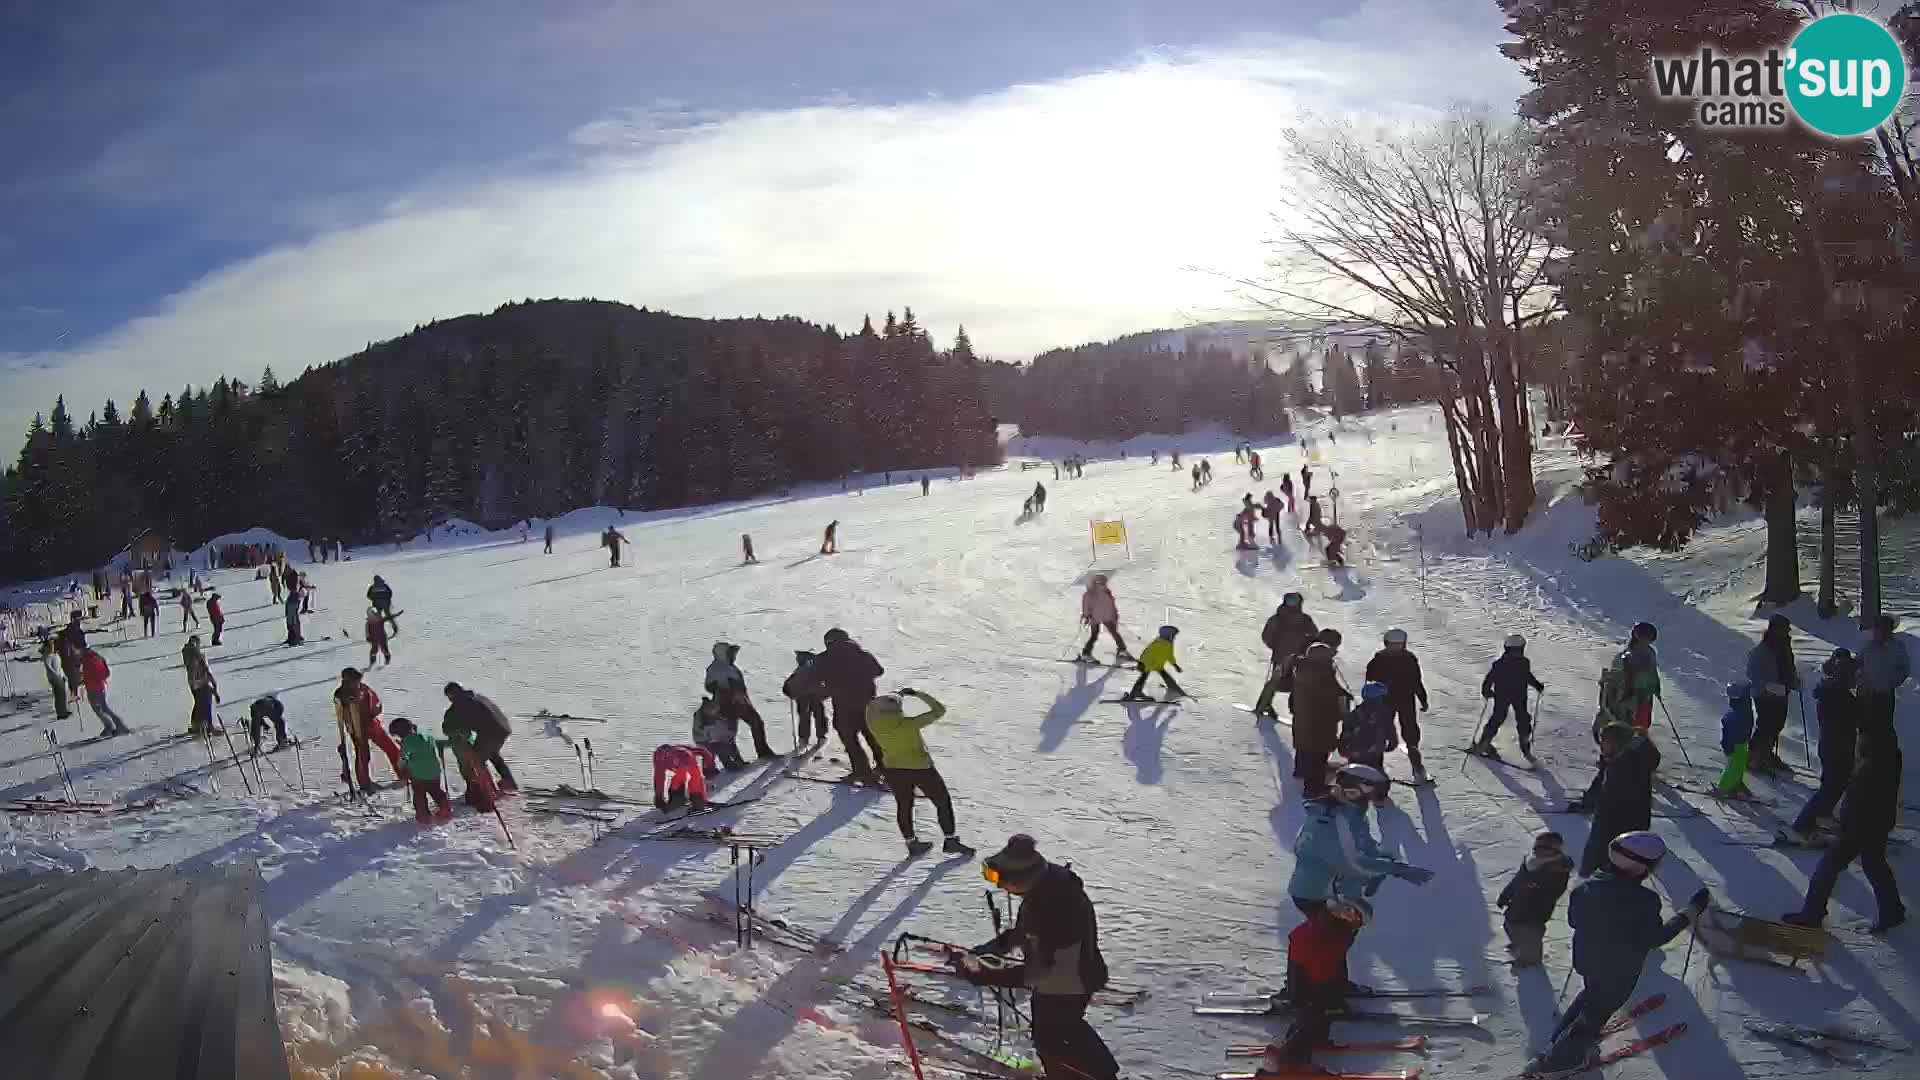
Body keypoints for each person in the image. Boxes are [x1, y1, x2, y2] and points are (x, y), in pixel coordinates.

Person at [1528, 832, 1709, 1075]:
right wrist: (1689, 912)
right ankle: (1558, 1063)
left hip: (1587, 961)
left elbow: (1573, 920)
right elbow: (1655, 938)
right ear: (1640, 868)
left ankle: (1556, 1042)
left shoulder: (1585, 888)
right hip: (1619, 973)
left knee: (1590, 996)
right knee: (1594, 1016)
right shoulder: (1644, 899)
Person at [961, 834, 1119, 1080]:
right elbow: (1025, 931)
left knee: (1051, 1040)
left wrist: (984, 975)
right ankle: (1104, 1072)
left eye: (1001, 880)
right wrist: (993, 948)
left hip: (1067, 983)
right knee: (1067, 1026)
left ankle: (1082, 1075)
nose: (999, 886)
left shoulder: (1051, 908)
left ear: (1021, 879)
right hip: (1074, 974)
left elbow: (1038, 973)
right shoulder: (1048, 883)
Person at [1288, 763, 1434, 1000]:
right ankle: (1314, 993)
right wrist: (1394, 868)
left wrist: (1384, 861)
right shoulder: (1332, 819)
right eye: (1369, 795)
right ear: (1354, 791)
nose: (1371, 803)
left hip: (1336, 890)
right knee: (1328, 942)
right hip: (1318, 893)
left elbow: (1364, 846)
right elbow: (1351, 861)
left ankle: (1333, 984)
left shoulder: (1348, 813)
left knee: (1339, 939)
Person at [1784, 719, 1905, 932]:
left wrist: (1845, 825)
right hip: (1870, 826)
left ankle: (1812, 914)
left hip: (1861, 829)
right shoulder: (1883, 761)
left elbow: (1861, 802)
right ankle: (1892, 911)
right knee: (1874, 867)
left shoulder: (1872, 766)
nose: (1858, 740)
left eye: (1861, 736)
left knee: (1830, 867)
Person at [1258, 897, 1373, 1072]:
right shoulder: (1328, 929)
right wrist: (1324, 989)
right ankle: (1289, 1062)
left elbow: (1335, 960)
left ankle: (1316, 1038)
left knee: (1320, 1014)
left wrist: (1336, 987)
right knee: (1310, 1017)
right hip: (1308, 978)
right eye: (1358, 921)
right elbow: (1319, 958)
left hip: (1316, 973)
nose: (1357, 926)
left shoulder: (1337, 927)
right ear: (1347, 914)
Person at [867, 689, 974, 856]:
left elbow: (872, 706)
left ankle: (911, 843)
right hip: (921, 769)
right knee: (942, 802)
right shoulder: (910, 724)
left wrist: (894, 697)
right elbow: (939, 710)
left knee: (904, 805)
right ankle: (950, 840)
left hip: (893, 769)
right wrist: (917, 694)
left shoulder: (872, 722)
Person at [1782, 650, 1860, 843]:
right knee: (1831, 787)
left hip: (1835, 744)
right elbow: (1852, 720)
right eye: (1854, 676)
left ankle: (1820, 817)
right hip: (1837, 746)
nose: (1857, 680)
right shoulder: (1841, 697)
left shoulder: (1833, 691)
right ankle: (1802, 825)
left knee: (1836, 784)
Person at [1578, 722, 1661, 877]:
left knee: (1611, 866)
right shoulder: (1618, 759)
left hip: (1617, 825)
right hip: (1616, 823)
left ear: (1617, 742)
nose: (1601, 746)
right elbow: (1600, 785)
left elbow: (1612, 799)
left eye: (1605, 742)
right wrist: (1587, 802)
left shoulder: (1628, 765)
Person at [815, 628, 887, 782]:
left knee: (850, 740)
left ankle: (862, 771)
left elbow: (818, 680)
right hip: (868, 703)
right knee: (872, 737)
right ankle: (885, 768)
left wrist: (819, 693)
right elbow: (879, 671)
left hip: (844, 707)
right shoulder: (863, 654)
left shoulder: (825, 659)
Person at [1496, 831, 1572, 967]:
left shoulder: (1558, 869)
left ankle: (1530, 959)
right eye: (1538, 848)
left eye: (1546, 850)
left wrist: (1537, 887)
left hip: (1537, 909)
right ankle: (1519, 943)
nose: (1541, 852)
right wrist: (1505, 895)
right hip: (1518, 902)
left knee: (1532, 935)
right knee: (1510, 924)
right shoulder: (1530, 861)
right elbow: (1517, 880)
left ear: (1555, 852)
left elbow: (1556, 890)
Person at [1289, 630, 1350, 797]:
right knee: (1318, 754)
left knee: (1305, 747)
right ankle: (1314, 788)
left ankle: (1301, 770)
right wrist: (1343, 700)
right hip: (1322, 722)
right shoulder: (1322, 675)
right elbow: (1330, 696)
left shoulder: (1302, 670)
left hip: (1303, 720)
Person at [1365, 629, 1430, 782]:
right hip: (1402, 699)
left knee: (1384, 730)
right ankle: (1416, 767)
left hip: (1387, 700)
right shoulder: (1408, 658)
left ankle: (1378, 768)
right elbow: (1416, 681)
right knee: (1404, 729)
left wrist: (1369, 699)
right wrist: (1423, 698)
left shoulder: (1380, 658)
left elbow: (1370, 680)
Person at [1474, 635, 1546, 762]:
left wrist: (1536, 685)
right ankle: (1484, 744)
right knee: (1498, 718)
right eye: (1516, 651)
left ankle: (1526, 749)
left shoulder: (1524, 662)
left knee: (1523, 720)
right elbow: (1489, 679)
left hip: (1519, 696)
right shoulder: (1500, 664)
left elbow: (1527, 676)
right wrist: (1486, 690)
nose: (1518, 653)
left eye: (1520, 650)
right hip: (1503, 696)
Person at [335, 668, 405, 795]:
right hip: (356, 728)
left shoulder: (363, 688)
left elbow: (375, 701)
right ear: (346, 680)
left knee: (390, 747)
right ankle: (364, 782)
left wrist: (375, 711)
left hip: (371, 723)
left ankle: (403, 774)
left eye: (358, 680)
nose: (357, 683)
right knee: (363, 755)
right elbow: (341, 712)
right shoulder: (340, 694)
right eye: (354, 681)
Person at [1745, 613, 1799, 775]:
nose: (1787, 632)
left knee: (1777, 724)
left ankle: (1766, 753)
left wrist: (1793, 680)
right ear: (1775, 630)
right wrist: (1770, 687)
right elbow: (1752, 674)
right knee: (1766, 725)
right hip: (1765, 694)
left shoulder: (1784, 646)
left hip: (1782, 691)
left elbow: (1788, 666)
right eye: (1784, 629)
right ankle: (1754, 756)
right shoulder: (1762, 650)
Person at [705, 641, 778, 760]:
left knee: (754, 723)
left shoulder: (727, 667)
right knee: (731, 731)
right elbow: (710, 687)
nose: (733, 656)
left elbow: (710, 686)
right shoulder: (717, 669)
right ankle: (733, 760)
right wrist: (726, 690)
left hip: (738, 702)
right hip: (729, 704)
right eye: (731, 653)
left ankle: (759, 753)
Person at [443, 682, 518, 793]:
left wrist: (459, 734)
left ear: (452, 694)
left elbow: (458, 726)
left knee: (476, 760)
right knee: (492, 754)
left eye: (449, 696)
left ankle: (486, 791)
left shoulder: (462, 704)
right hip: (502, 728)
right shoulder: (476, 697)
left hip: (491, 733)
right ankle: (508, 782)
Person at [1253, 595, 1319, 721]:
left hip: (1294, 657)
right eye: (1290, 601)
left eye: (1294, 601)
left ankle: (1265, 706)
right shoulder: (1280, 619)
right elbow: (1267, 635)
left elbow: (1314, 636)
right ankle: (1265, 706)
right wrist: (1274, 645)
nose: (1292, 604)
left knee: (1283, 682)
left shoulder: (1302, 619)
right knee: (1283, 681)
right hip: (1287, 657)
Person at [390, 718, 454, 825]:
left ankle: (423, 816)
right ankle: (445, 808)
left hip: (418, 775)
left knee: (419, 795)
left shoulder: (407, 742)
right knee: (436, 791)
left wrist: (401, 767)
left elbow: (402, 758)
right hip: (434, 772)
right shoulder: (427, 736)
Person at [1340, 681, 1397, 795]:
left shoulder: (1355, 714)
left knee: (1357, 772)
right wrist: (1392, 743)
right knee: (1376, 772)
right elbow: (1390, 730)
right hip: (1374, 750)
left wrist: (1343, 747)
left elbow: (1346, 732)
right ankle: (1379, 794)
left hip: (1357, 750)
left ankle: (1356, 791)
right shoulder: (1384, 713)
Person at [1856, 614, 1910, 733]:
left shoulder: (1897, 647)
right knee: (1864, 728)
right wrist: (1860, 679)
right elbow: (1857, 664)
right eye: (1875, 628)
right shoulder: (1867, 646)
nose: (1876, 631)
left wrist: (1889, 682)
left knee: (1883, 728)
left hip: (1884, 695)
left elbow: (1904, 670)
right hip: (1865, 694)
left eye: (1879, 628)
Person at [1119, 625, 1185, 702]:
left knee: (1166, 677)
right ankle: (1135, 694)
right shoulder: (1158, 643)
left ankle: (1175, 691)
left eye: (1174, 635)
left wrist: (1175, 665)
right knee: (1143, 679)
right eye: (1173, 635)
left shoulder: (1169, 644)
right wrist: (1143, 664)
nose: (1174, 637)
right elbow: (1147, 654)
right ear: (1168, 635)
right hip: (1148, 665)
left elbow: (1169, 656)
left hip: (1158, 665)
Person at [1714, 682, 1756, 799]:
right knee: (1733, 767)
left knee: (1740, 765)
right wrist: (1728, 746)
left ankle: (1736, 783)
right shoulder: (1733, 715)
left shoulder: (1745, 710)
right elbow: (1728, 734)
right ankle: (1723, 787)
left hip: (1743, 742)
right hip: (1735, 745)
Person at [1077, 574, 1131, 663]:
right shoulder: (1106, 592)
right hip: (1107, 617)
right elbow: (1111, 606)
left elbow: (1086, 606)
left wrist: (1086, 616)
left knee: (1094, 635)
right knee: (1114, 633)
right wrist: (1115, 616)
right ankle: (1122, 650)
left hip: (1095, 618)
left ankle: (1086, 653)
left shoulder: (1090, 593)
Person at [79, 647, 131, 737]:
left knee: (103, 708)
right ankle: (110, 726)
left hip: (95, 687)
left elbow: (95, 673)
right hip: (95, 686)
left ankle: (119, 726)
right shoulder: (92, 657)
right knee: (99, 708)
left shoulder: (89, 659)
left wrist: (87, 680)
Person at [782, 650, 832, 744]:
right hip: (815, 694)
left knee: (804, 716)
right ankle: (821, 737)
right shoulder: (814, 665)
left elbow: (791, 685)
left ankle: (804, 738)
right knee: (819, 714)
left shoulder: (803, 668)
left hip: (803, 695)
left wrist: (791, 692)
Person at [653, 743, 718, 810]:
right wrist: (710, 768)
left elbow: (659, 779)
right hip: (688, 759)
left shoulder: (660, 758)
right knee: (694, 779)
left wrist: (659, 797)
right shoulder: (682, 749)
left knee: (682, 777)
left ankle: (678, 797)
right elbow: (705, 752)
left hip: (685, 760)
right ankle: (697, 801)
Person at [693, 695, 747, 770]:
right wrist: (709, 733)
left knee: (727, 745)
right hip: (704, 740)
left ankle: (732, 762)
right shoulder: (700, 715)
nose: (714, 711)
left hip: (718, 737)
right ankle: (708, 770)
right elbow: (699, 730)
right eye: (711, 709)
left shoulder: (718, 714)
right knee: (709, 753)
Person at [182, 636, 221, 735]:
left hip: (193, 683)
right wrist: (214, 685)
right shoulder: (197, 656)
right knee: (206, 703)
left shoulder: (188, 655)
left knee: (199, 703)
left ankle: (196, 725)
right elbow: (206, 670)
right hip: (200, 682)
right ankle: (208, 725)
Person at [39, 641, 70, 721]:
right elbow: (49, 668)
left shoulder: (55, 655)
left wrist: (63, 675)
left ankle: (64, 710)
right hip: (55, 679)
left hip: (60, 676)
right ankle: (60, 713)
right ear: (46, 647)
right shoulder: (47, 657)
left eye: (52, 646)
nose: (52, 648)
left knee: (63, 695)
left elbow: (60, 667)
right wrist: (57, 676)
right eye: (50, 646)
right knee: (59, 696)